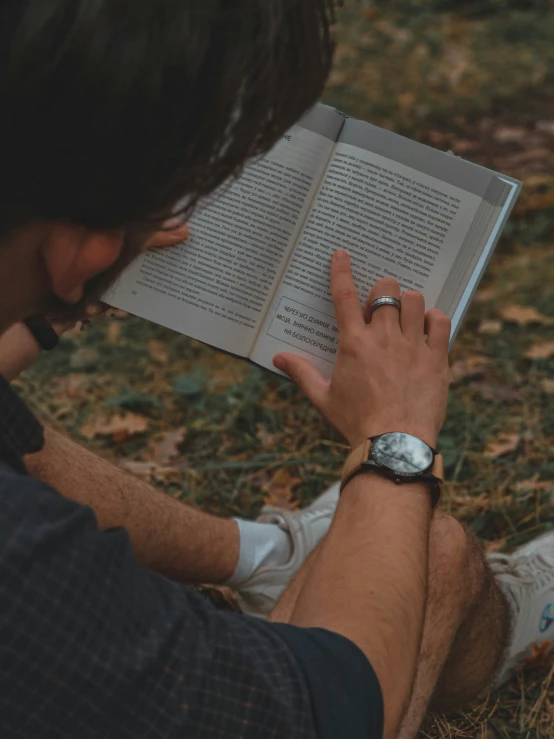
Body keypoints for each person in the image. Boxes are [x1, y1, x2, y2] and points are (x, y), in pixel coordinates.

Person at [0, 2, 550, 738]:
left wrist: (55, 302)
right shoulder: (27, 568)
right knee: (432, 555)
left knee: (23, 441)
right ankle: (522, 611)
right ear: (80, 251)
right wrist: (394, 438)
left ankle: (264, 556)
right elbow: (336, 705)